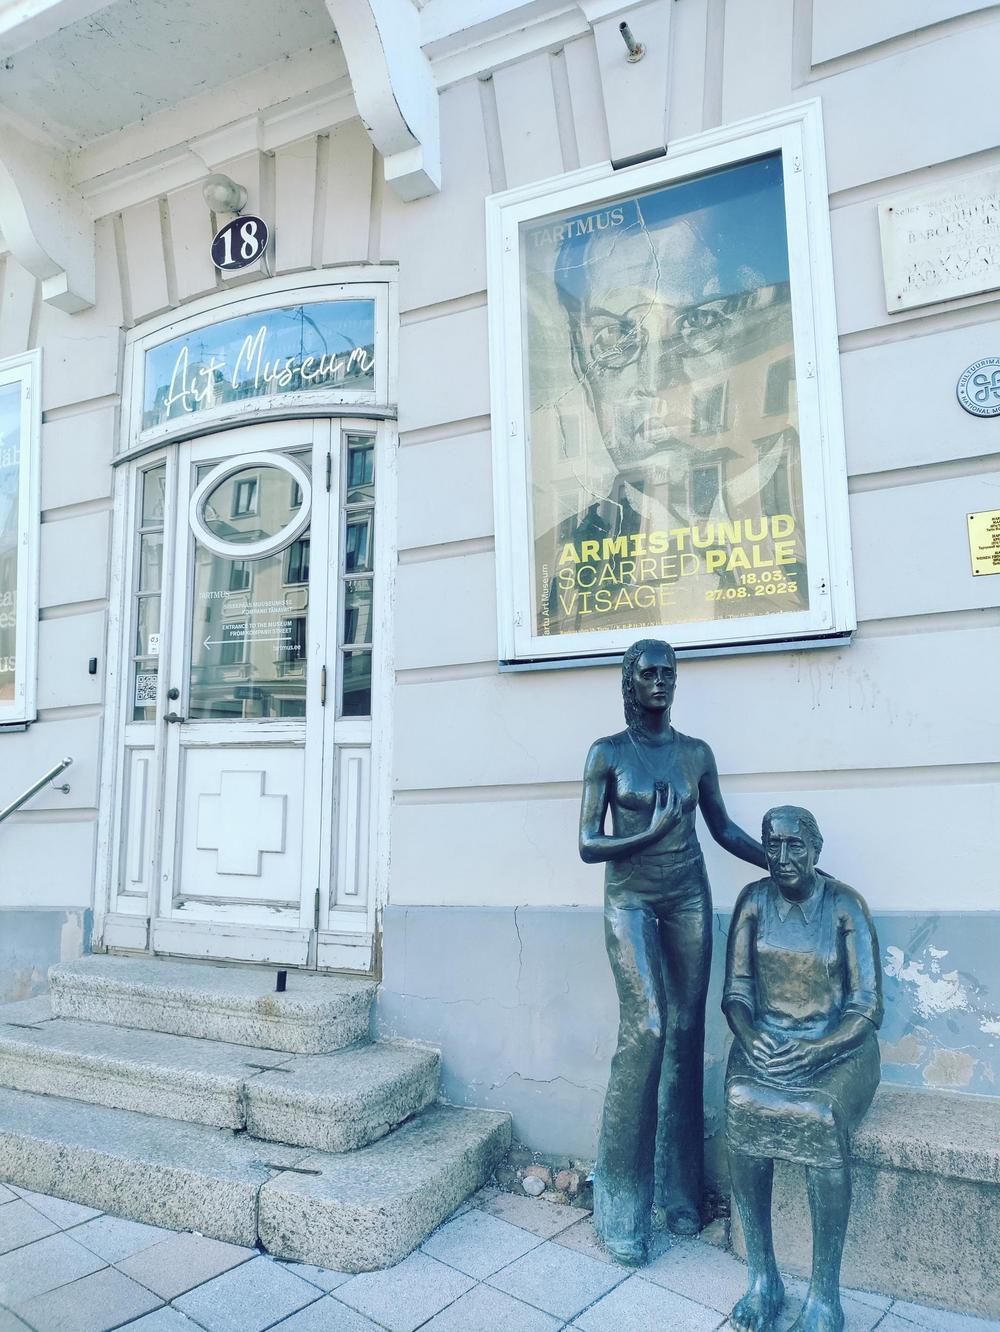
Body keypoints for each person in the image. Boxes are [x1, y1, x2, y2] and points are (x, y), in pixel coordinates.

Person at [578, 637, 767, 1264]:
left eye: (669, 673)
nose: (661, 681)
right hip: (630, 900)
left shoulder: (695, 754)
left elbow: (723, 829)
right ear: (629, 683)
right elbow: (587, 844)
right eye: (649, 673)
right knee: (648, 1029)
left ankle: (681, 1189)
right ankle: (621, 1202)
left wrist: (779, 863)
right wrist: (652, 831)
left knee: (687, 1032)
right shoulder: (607, 753)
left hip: (688, 897)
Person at [723, 806, 882, 1332]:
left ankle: (824, 1297)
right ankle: (763, 1279)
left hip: (840, 1049)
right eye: (773, 845)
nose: (783, 856)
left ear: (816, 849)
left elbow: (867, 1008)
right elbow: (736, 992)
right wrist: (752, 1039)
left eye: (795, 845)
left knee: (818, 1116)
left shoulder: (845, 906)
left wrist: (817, 1051)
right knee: (743, 1104)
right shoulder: (752, 901)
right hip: (766, 1043)